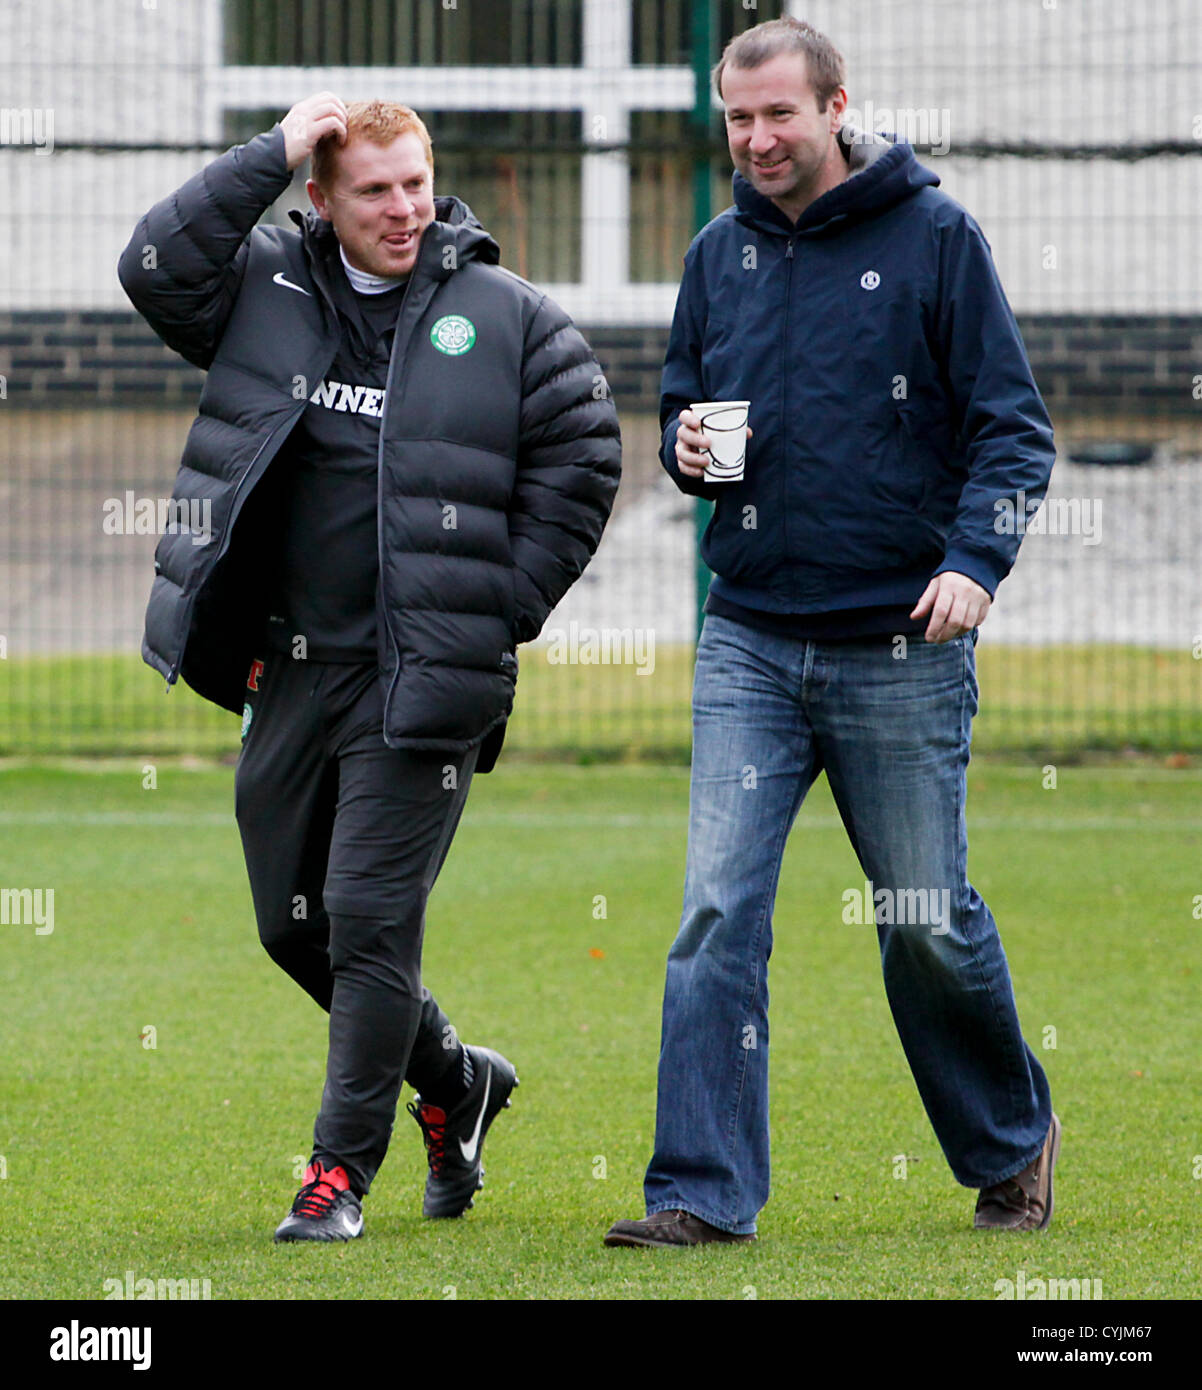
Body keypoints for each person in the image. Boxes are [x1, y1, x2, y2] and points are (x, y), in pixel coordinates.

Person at [119, 93, 620, 1242]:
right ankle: (452, 1080)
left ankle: (337, 1175)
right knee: (293, 926)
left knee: (366, 918)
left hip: (422, 678)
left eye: (414, 185)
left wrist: (494, 610)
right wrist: (274, 145)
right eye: (372, 191)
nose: (403, 211)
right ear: (321, 202)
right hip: (289, 670)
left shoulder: (507, 318)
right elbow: (152, 266)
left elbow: (586, 456)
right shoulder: (264, 291)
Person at [605, 18, 1058, 1249]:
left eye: (777, 117)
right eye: (735, 120)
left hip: (901, 646)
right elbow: (680, 406)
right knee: (713, 914)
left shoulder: (936, 238)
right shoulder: (716, 253)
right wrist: (683, 448)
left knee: (922, 914)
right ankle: (697, 1192)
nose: (753, 140)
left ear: (834, 108)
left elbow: (1014, 436)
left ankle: (1010, 1144)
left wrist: (973, 564)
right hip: (746, 637)